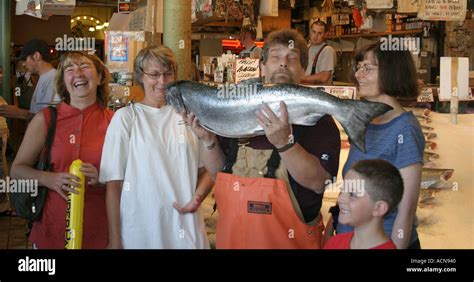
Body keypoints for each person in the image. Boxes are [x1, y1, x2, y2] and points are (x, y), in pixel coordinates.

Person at [182, 29, 341, 249]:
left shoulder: (318, 119)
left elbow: (318, 183)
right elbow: (221, 176)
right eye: (276, 57)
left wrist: (285, 145)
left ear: (303, 69)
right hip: (233, 241)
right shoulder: (235, 109)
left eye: (292, 59)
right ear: (263, 66)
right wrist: (208, 140)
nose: (283, 64)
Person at [99, 46, 212, 249]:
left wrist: (197, 198)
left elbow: (208, 171)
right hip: (139, 232)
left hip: (186, 230)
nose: (162, 81)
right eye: (154, 74)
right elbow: (113, 185)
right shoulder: (126, 118)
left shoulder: (189, 116)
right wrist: (114, 240)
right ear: (140, 77)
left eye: (168, 74)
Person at [11, 51, 113, 248]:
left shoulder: (116, 122)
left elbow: (134, 178)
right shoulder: (46, 119)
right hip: (51, 230)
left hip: (100, 230)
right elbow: (17, 170)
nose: (78, 73)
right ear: (63, 81)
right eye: (70, 69)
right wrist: (49, 179)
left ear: (100, 77)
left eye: (84, 67)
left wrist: (102, 179)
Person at [336, 42, 424, 249]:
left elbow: (406, 212)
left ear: (392, 72)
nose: (359, 74)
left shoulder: (405, 129)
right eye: (359, 67)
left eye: (368, 68)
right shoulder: (366, 123)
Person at [324, 159, 403, 249]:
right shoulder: (334, 243)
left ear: (379, 208)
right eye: (342, 190)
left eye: (352, 194)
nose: (340, 199)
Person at [0, 39, 59, 121]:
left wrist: (19, 113)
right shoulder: (44, 77)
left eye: (25, 59)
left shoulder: (53, 79)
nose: (23, 64)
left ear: (36, 56)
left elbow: (50, 118)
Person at [301, 21, 337, 85]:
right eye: (313, 32)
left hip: (320, 92)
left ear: (325, 34)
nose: (315, 36)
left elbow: (324, 77)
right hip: (306, 90)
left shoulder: (327, 50)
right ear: (310, 32)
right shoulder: (306, 48)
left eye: (319, 33)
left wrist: (301, 78)